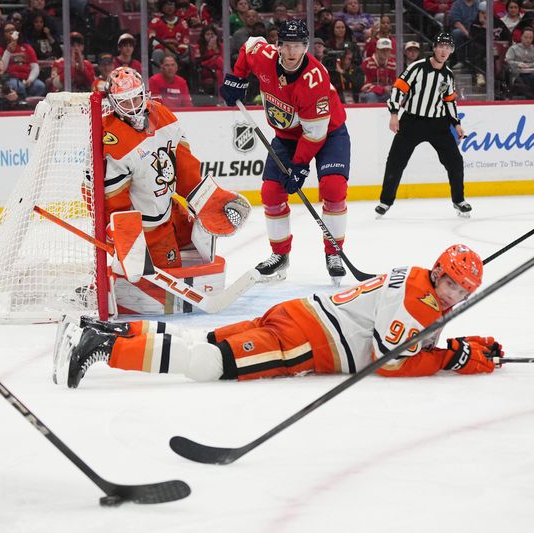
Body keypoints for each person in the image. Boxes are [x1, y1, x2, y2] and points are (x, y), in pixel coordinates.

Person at [54, 244, 502, 389]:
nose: (454, 295)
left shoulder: (419, 279)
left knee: (209, 342)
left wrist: (462, 349)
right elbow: (390, 363)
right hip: (306, 341)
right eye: (451, 285)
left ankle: (109, 328)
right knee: (212, 364)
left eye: (463, 292)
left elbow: (416, 334)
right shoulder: (417, 303)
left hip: (299, 313)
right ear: (439, 274)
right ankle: (107, 347)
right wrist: (449, 359)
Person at [220, 19, 352, 284]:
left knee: (334, 188)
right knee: (271, 192)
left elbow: (315, 133)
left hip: (329, 132)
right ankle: (280, 255)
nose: (292, 53)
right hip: (288, 135)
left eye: (298, 46)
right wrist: (237, 77)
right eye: (287, 46)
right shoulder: (264, 56)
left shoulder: (314, 79)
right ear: (277, 46)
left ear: (306, 47)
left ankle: (333, 252)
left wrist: (300, 166)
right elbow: (249, 46)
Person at [100, 66, 249, 269]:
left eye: (135, 98)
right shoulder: (110, 137)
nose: (133, 106)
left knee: (198, 248)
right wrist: (121, 230)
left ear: (144, 92)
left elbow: (184, 164)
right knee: (168, 273)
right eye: (125, 101)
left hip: (169, 208)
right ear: (113, 103)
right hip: (146, 226)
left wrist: (206, 198)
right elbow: (114, 196)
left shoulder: (161, 113)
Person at [376, 32, 471, 218]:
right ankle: (385, 202)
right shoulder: (416, 68)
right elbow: (398, 89)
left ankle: (459, 200)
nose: (444, 51)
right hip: (412, 122)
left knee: (455, 162)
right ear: (434, 48)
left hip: (439, 125)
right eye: (441, 46)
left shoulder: (448, 75)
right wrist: (394, 114)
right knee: (396, 161)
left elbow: (450, 101)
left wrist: (457, 124)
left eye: (448, 47)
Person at [359, 37, 397, 103]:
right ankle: (371, 113)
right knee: (372, 96)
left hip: (386, 94)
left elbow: (394, 82)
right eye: (382, 50)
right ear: (377, 50)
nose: (385, 52)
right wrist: (383, 89)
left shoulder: (392, 64)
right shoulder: (367, 63)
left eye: (387, 50)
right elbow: (364, 87)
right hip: (368, 93)